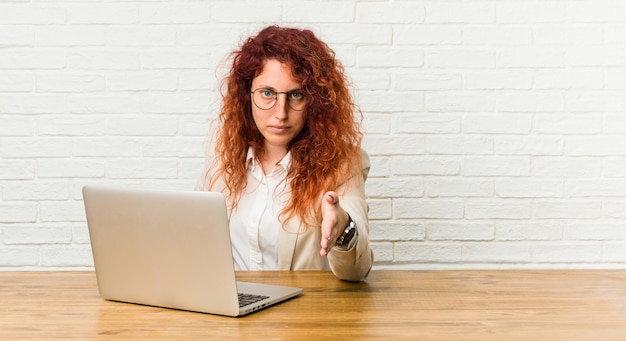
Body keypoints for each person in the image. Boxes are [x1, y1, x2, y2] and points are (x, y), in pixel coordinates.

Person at [196, 25, 373, 282]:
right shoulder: (221, 155)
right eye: (267, 93)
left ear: (314, 101)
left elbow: (357, 271)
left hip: (301, 316)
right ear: (248, 96)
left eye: (296, 95)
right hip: (231, 311)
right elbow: (198, 239)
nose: (280, 112)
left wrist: (343, 228)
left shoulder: (344, 163)